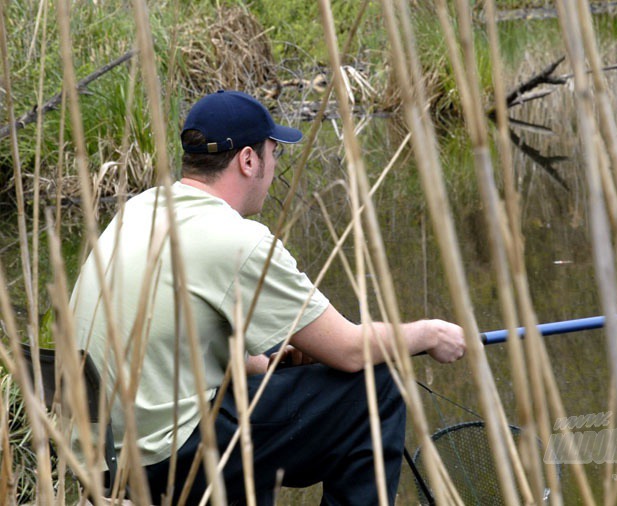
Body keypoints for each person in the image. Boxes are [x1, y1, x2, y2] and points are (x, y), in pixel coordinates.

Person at [70, 90, 466, 505]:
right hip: (163, 460)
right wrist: (430, 334)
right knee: (376, 388)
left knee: (268, 372)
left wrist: (264, 363)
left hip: (100, 459)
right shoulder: (235, 239)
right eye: (274, 153)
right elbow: (350, 350)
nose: (275, 167)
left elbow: (170, 344)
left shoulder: (140, 210)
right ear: (247, 160)